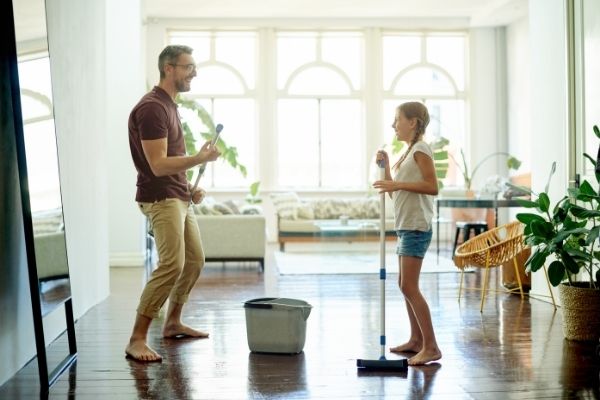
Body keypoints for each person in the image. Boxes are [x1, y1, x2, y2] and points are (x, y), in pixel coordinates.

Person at [126, 45, 220, 362]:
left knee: (194, 260)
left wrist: (189, 189)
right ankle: (137, 338)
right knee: (171, 264)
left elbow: (172, 164)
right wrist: (199, 158)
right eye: (188, 67)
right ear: (169, 68)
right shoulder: (152, 108)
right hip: (160, 197)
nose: (194, 73)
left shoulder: (170, 106)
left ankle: (173, 322)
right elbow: (157, 165)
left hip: (177, 194)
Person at [372, 101, 442, 366]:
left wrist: (397, 181)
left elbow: (432, 186)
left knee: (409, 286)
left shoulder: (421, 149)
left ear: (412, 122)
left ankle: (431, 347)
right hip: (406, 225)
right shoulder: (407, 152)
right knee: (404, 285)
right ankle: (416, 341)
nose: (393, 124)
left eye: (397, 119)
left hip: (416, 226)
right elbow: (395, 191)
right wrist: (387, 166)